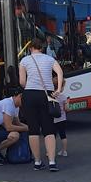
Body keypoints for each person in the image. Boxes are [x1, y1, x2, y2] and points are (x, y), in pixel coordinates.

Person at [18, 37, 65, 171]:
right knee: (48, 128)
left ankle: (38, 162)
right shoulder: (49, 59)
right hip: (47, 94)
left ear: (30, 48)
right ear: (42, 47)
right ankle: (51, 162)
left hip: (30, 94)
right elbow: (60, 72)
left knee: (33, 129)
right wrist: (58, 89)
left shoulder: (25, 60)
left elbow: (22, 81)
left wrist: (30, 87)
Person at [52, 73, 69, 157]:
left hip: (52, 119)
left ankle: (49, 152)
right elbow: (66, 109)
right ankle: (64, 151)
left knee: (52, 136)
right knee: (63, 135)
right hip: (62, 118)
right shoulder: (63, 96)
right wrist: (68, 102)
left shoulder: (50, 96)